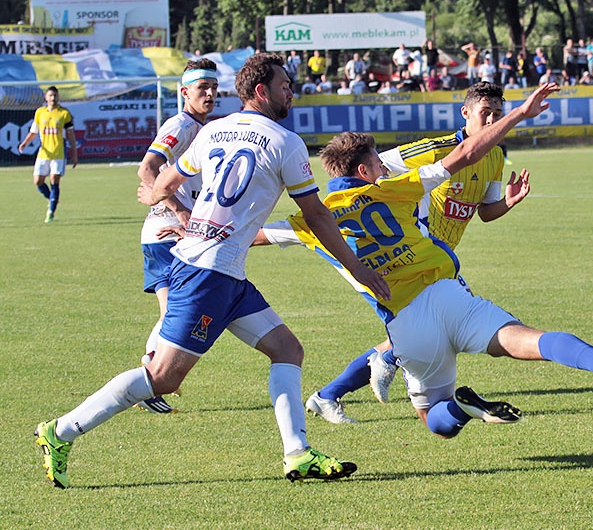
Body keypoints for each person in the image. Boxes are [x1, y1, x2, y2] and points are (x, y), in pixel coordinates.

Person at [33, 53, 391, 489]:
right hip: (207, 274)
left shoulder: (214, 130)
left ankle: (297, 455)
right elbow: (315, 214)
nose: (290, 93)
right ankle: (60, 431)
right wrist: (356, 266)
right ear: (261, 91)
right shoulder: (285, 142)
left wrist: (161, 199)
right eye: (284, 86)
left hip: (223, 272)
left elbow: (164, 180)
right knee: (163, 377)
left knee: (287, 350)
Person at [255, 83, 593, 444]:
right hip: (449, 293)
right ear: (368, 169)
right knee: (531, 340)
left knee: (434, 419)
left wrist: (194, 231)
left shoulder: (312, 218)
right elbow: (461, 156)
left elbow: (253, 236)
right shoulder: (395, 188)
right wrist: (518, 114)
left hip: (405, 318)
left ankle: (455, 405)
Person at [262, 81, 528, 423]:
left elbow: (487, 211)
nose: (491, 120)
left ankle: (332, 393)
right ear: (466, 113)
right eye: (484, 113)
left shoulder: (495, 155)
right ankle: (373, 374)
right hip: (408, 249)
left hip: (435, 258)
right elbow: (376, 169)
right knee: (435, 330)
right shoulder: (438, 149)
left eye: (497, 114)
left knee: (422, 331)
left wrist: (508, 200)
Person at [134, 58, 219, 415]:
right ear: (185, 92)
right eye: (203, 89)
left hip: (178, 235)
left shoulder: (205, 126)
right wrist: (179, 211)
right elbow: (147, 169)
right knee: (175, 313)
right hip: (166, 234)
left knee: (178, 312)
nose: (211, 94)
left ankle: (149, 380)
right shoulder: (181, 124)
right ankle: (147, 381)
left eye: (214, 88)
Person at [18, 86, 78, 223]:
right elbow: (34, 131)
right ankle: (53, 199)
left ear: (58, 97)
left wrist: (74, 152)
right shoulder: (40, 112)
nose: (53, 98)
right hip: (44, 153)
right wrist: (25, 143)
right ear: (46, 97)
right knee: (38, 181)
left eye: (55, 95)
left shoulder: (64, 113)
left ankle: (51, 211)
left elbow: (70, 134)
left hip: (58, 153)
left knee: (54, 180)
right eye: (50, 95)